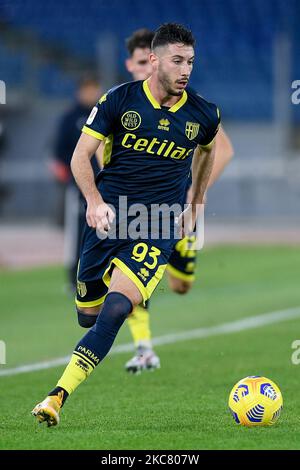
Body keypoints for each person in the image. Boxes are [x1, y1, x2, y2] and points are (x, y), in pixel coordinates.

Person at [32, 22, 220, 427]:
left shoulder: (204, 113)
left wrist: (197, 199)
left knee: (117, 308)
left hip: (157, 224)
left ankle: (56, 397)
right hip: (108, 221)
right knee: (89, 314)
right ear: (153, 60)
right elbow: (81, 157)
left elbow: (208, 149)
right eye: (177, 60)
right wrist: (94, 202)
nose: (185, 68)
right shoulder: (118, 101)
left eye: (190, 61)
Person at [122, 29, 234, 373]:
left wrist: (193, 196)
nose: (145, 70)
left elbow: (223, 150)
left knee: (181, 285)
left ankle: (167, 261)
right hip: (135, 207)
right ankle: (144, 348)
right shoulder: (121, 102)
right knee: (129, 274)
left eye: (149, 63)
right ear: (132, 65)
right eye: (140, 63)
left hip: (179, 208)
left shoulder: (190, 106)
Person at [49, 76, 102, 289]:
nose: (91, 94)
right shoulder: (70, 118)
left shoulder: (106, 113)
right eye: (87, 89)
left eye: (94, 89)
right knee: (77, 232)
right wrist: (71, 176)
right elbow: (60, 151)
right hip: (79, 186)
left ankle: (101, 275)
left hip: (105, 184)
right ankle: (74, 277)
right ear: (79, 91)